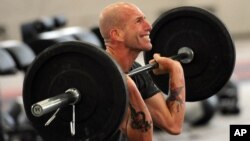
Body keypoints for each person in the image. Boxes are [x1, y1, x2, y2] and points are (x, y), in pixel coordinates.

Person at [99, 2, 186, 141]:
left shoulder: (136, 71)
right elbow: (143, 139)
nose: (149, 26)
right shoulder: (101, 76)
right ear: (117, 34)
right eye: (139, 21)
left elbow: (174, 125)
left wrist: (176, 69)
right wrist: (130, 87)